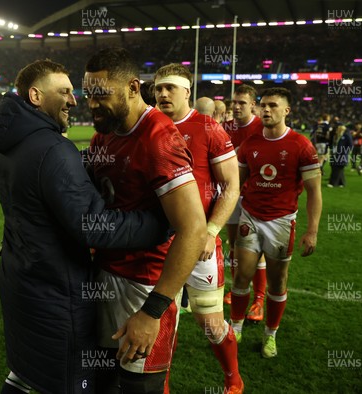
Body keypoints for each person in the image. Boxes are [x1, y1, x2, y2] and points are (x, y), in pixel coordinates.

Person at [0, 59, 170, 394]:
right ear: (36, 96)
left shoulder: (10, 144)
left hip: (20, 278)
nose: (74, 101)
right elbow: (95, 226)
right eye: (65, 92)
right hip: (57, 291)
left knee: (27, 371)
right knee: (73, 382)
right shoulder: (54, 149)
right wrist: (158, 225)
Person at [84, 48, 207, 394]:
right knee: (101, 382)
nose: (92, 104)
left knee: (141, 388)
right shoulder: (102, 135)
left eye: (101, 94)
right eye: (88, 94)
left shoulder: (159, 139)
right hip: (105, 275)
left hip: (144, 286)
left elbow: (193, 229)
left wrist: (153, 311)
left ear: (133, 88)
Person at [154, 63, 243, 394]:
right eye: (158, 88)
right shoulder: (147, 125)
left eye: (170, 88)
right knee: (161, 323)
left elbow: (232, 184)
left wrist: (212, 230)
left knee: (210, 323)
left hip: (200, 244)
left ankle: (233, 378)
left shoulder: (207, 127)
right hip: (157, 244)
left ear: (186, 91)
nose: (162, 93)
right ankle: (160, 386)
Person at [230, 87, 322, 358]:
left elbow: (315, 192)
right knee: (241, 276)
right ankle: (235, 327)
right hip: (250, 216)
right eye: (263, 105)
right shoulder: (250, 144)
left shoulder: (301, 145)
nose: (266, 110)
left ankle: (270, 335)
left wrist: (312, 231)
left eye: (272, 105)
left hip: (282, 222)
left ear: (287, 110)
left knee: (278, 282)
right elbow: (237, 184)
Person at [221, 85, 267, 322]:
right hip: (229, 194)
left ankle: (259, 299)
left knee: (254, 250)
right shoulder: (225, 127)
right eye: (234, 103)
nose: (236, 107)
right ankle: (236, 286)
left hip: (252, 196)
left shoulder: (261, 127)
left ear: (253, 105)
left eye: (242, 103)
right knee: (233, 244)